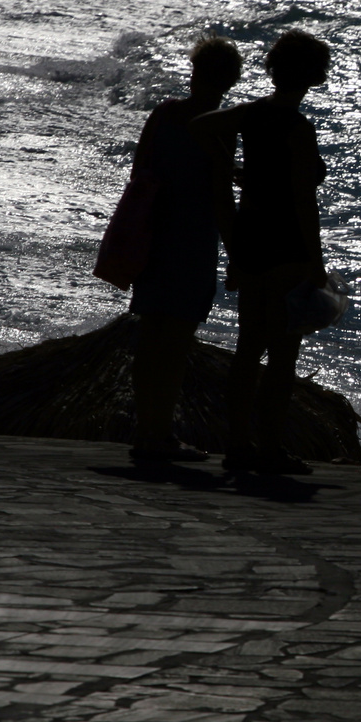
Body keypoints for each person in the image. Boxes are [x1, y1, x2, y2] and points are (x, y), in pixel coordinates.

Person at [191, 31, 332, 475]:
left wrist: (234, 170)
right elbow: (303, 204)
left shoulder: (252, 114)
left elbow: (200, 127)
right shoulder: (298, 129)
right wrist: (317, 260)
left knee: (249, 346)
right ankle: (269, 445)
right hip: (286, 244)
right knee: (283, 353)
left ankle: (238, 443)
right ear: (312, 76)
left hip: (251, 239)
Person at [126, 36, 244, 462]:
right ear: (231, 80)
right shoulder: (221, 123)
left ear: (195, 71)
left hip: (155, 233)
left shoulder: (165, 114)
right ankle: (160, 434)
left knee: (152, 335)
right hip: (192, 240)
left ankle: (147, 430)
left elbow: (144, 170)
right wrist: (238, 253)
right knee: (175, 343)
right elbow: (218, 196)